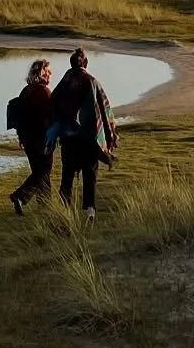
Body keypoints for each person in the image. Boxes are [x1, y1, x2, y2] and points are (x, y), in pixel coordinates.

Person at [48, 46, 117, 222]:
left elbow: (53, 107)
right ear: (85, 63)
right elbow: (103, 108)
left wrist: (54, 132)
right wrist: (109, 135)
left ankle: (64, 211)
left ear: (71, 64)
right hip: (89, 138)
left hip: (69, 138)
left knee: (67, 176)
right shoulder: (91, 81)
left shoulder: (64, 83)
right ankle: (90, 211)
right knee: (90, 174)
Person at [8, 58, 55, 215]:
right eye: (48, 71)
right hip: (42, 139)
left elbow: (20, 118)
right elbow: (51, 116)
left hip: (28, 140)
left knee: (40, 171)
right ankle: (20, 196)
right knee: (42, 171)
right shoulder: (44, 93)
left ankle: (45, 206)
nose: (51, 74)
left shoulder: (26, 91)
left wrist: (21, 137)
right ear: (42, 73)